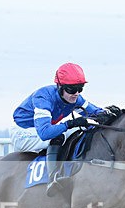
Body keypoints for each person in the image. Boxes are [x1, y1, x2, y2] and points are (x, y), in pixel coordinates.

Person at [12, 63, 119, 196]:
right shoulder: (43, 97)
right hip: (23, 132)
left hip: (40, 130)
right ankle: (53, 179)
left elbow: (95, 113)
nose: (76, 93)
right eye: (72, 89)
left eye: (80, 88)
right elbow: (45, 133)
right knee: (60, 135)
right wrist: (70, 123)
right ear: (60, 87)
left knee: (77, 131)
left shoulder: (74, 98)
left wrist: (110, 113)